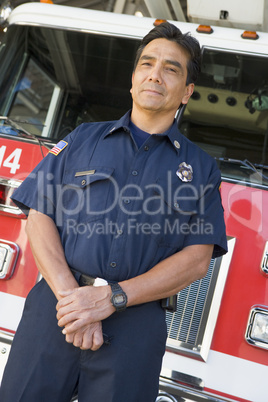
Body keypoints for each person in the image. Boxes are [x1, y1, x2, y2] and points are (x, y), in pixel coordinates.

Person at [0, 22, 227, 402]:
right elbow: (39, 216)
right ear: (133, 78)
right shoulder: (81, 139)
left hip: (134, 331)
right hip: (56, 311)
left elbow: (196, 260)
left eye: (171, 69)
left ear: (187, 91)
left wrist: (111, 299)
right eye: (147, 64)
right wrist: (75, 303)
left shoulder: (202, 169)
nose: (155, 74)